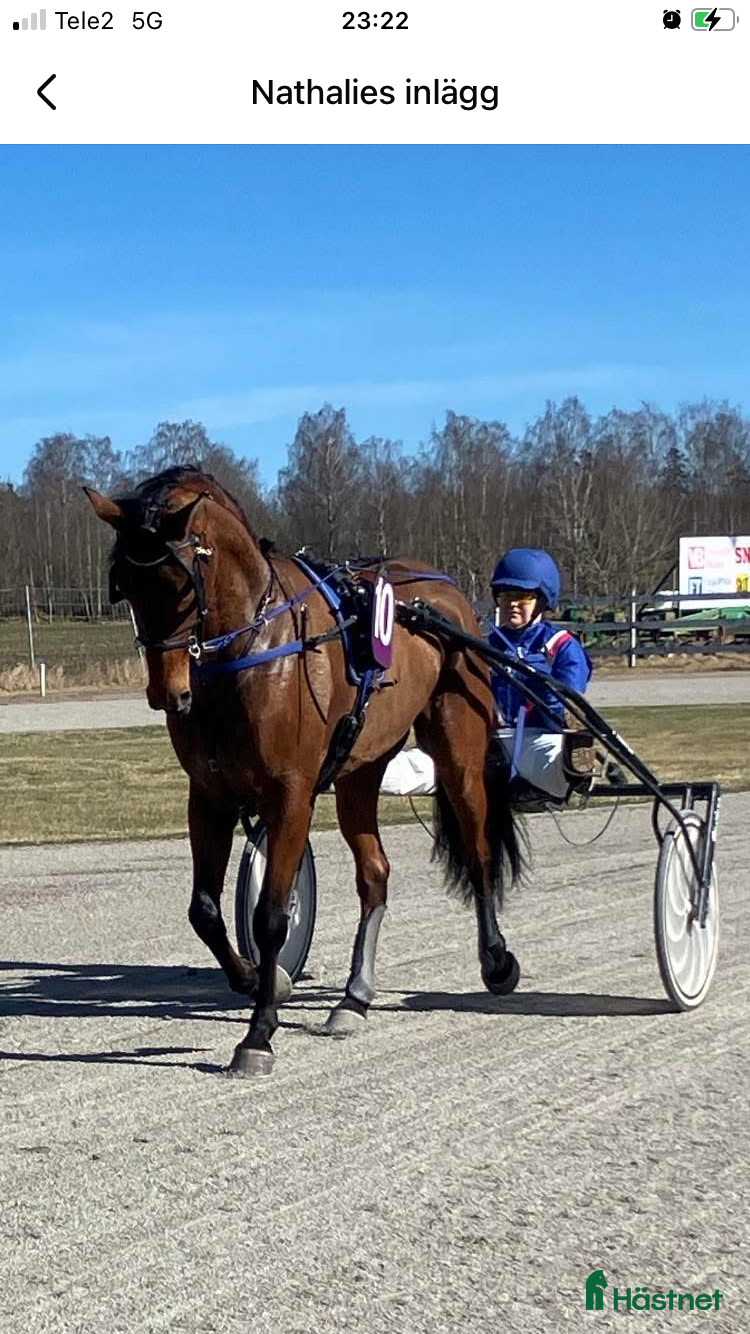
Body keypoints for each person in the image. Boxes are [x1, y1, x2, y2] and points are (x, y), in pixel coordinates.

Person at [380, 547, 594, 802]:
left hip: (538, 740)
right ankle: (341, 772)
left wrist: (536, 686)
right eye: (505, 597)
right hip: (482, 741)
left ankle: (579, 766)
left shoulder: (562, 645)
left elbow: (566, 706)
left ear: (542, 601)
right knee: (413, 767)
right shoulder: (483, 644)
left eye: (522, 597)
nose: (513, 605)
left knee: (554, 759)